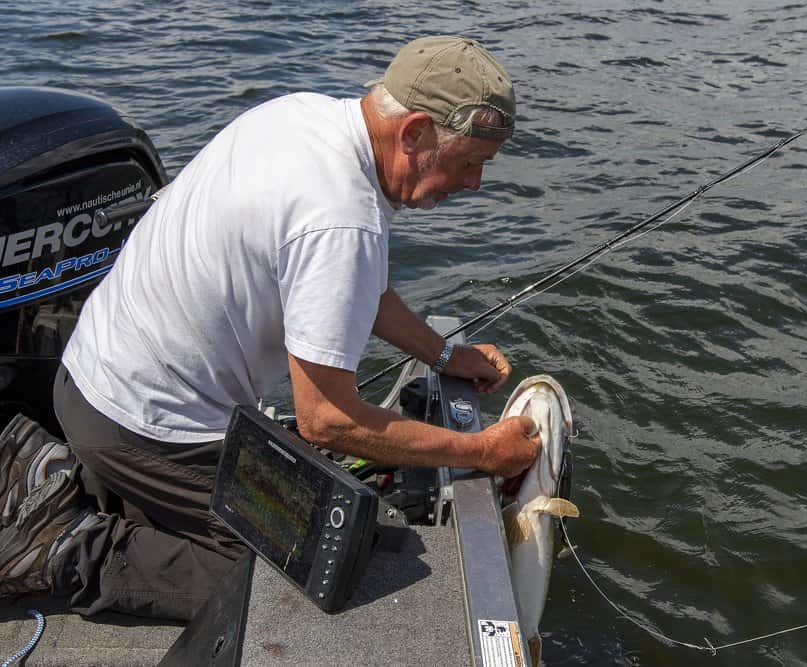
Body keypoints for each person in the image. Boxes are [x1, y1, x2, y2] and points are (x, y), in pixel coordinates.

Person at [0, 35, 540, 620]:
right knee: (313, 581)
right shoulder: (340, 220)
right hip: (143, 427)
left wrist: (444, 355)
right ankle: (69, 552)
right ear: (412, 133)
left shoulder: (304, 117)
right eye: (470, 163)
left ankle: (112, 494)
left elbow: (367, 288)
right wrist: (483, 450)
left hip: (84, 380)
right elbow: (327, 421)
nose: (475, 185)